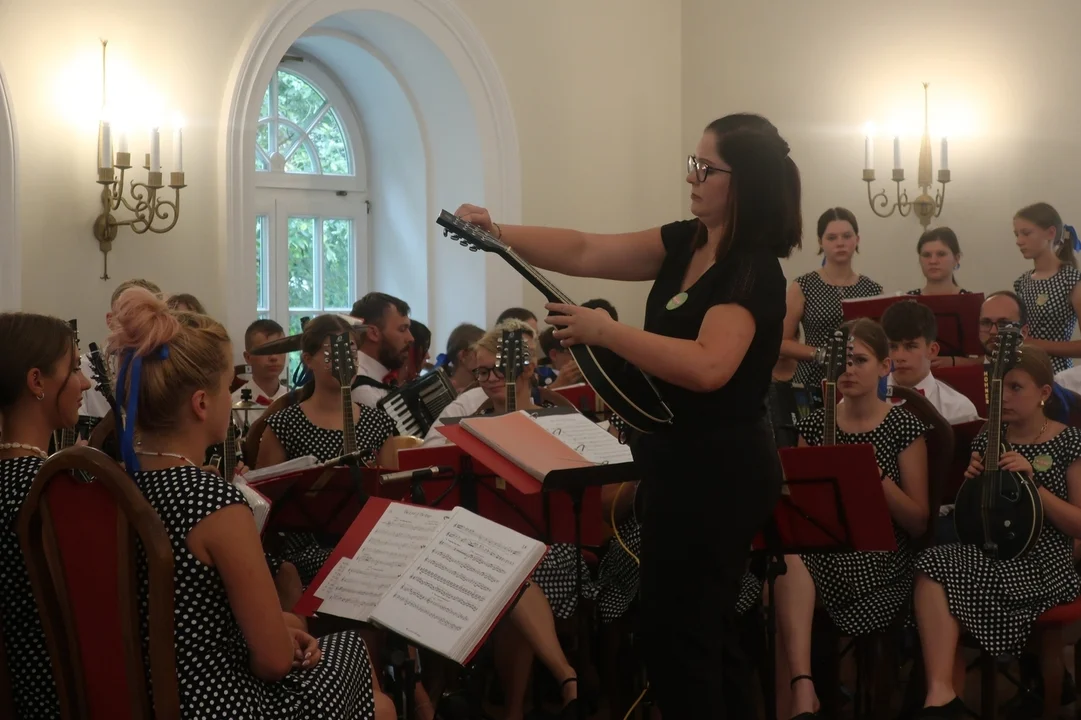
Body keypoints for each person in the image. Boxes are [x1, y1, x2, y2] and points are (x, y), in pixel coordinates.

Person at [454, 111, 801, 718]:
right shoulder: (687, 240)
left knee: (685, 642)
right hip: (678, 460)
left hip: (721, 470)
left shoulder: (751, 270)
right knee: (690, 636)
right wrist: (500, 232)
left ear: (741, 181)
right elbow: (587, 248)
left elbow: (707, 367)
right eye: (692, 163)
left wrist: (606, 331)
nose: (690, 177)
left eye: (705, 167)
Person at [106, 289, 395, 719]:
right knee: (371, 687)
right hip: (218, 701)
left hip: (136, 693)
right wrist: (285, 629)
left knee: (350, 658)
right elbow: (274, 663)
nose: (232, 397)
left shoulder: (113, 488)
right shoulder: (213, 501)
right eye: (228, 387)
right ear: (202, 404)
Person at [773, 318, 929, 720]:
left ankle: (811, 692)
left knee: (797, 574)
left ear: (884, 366)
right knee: (784, 565)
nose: (848, 370)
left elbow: (917, 522)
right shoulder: (813, 424)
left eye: (860, 360)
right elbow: (806, 512)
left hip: (882, 553)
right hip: (824, 548)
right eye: (841, 362)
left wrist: (874, 478)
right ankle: (802, 691)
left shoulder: (903, 425)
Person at [912, 347, 1081, 719]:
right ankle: (940, 695)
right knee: (932, 560)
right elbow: (975, 517)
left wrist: (1034, 486)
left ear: (1044, 393)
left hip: (1047, 561)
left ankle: (941, 698)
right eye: (998, 388)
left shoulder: (1070, 441)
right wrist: (971, 484)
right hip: (992, 552)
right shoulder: (990, 436)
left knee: (946, 577)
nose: (1003, 398)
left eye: (1016, 388)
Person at [258, 314, 398, 584]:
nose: (344, 360)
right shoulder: (283, 424)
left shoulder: (380, 422)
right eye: (331, 353)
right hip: (306, 549)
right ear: (307, 359)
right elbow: (266, 502)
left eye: (350, 352)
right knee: (348, 564)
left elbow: (392, 494)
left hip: (370, 543)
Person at [0, 313, 91, 719]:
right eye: (74, 370)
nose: (86, 383)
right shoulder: (49, 486)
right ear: (37, 382)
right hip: (57, 693)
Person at [780, 208, 883, 393]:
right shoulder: (804, 285)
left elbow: (881, 343)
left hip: (860, 379)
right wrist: (821, 354)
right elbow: (782, 342)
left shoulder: (873, 289)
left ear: (857, 240)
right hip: (813, 378)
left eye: (846, 236)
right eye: (832, 238)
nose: (840, 243)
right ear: (820, 242)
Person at [881, 300, 979, 424]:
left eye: (910, 346)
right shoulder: (863, 400)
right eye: (893, 347)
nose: (899, 357)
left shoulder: (959, 409)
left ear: (932, 350)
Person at [80, 277, 162, 421]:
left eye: (148, 318)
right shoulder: (82, 370)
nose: (138, 327)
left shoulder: (166, 369)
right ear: (110, 320)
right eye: (129, 316)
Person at [1012, 202, 1081, 373]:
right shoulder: (1022, 282)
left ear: (1051, 233)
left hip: (1056, 373)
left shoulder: (1072, 280)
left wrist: (1035, 344)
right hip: (1023, 371)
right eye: (1017, 234)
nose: (1019, 241)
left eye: (1026, 233)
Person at [349, 293, 414, 407]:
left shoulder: (381, 377)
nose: (411, 338)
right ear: (373, 333)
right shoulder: (364, 391)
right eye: (402, 329)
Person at [232, 319, 288, 427]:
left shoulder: (296, 401)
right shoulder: (233, 404)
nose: (274, 357)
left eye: (280, 349)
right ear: (248, 357)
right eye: (265, 351)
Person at [907, 227, 971, 296]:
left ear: (956, 259)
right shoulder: (907, 302)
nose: (933, 261)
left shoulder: (972, 302)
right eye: (926, 255)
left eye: (941, 254)